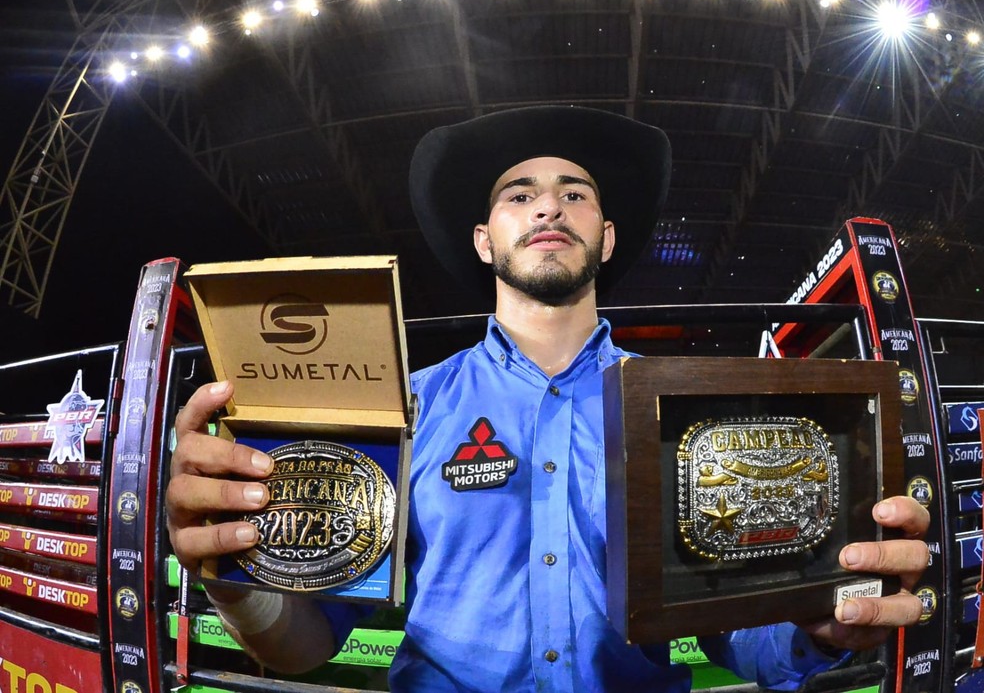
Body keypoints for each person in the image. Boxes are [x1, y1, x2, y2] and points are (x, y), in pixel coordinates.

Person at [166, 106, 930, 692]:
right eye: (520, 194)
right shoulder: (409, 409)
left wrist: (825, 622)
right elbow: (310, 641)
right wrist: (230, 571)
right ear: (482, 239)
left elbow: (742, 637)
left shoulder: (690, 418)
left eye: (575, 194)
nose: (549, 208)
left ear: (604, 238)